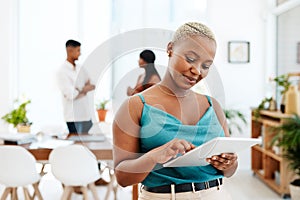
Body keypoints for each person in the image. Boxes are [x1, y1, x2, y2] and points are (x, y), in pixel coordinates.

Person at [113, 22, 238, 200]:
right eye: (191, 58)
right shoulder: (135, 106)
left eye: (206, 65)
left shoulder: (213, 106)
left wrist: (229, 164)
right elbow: (122, 178)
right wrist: (155, 156)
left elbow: (229, 172)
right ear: (170, 49)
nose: (197, 71)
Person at [57, 39, 95, 134]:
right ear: (70, 50)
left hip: (86, 116)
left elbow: (92, 85)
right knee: (76, 146)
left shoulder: (80, 68)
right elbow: (71, 95)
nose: (80, 53)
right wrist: (84, 89)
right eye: (78, 50)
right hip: (73, 118)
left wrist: (79, 90)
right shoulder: (62, 71)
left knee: (87, 145)